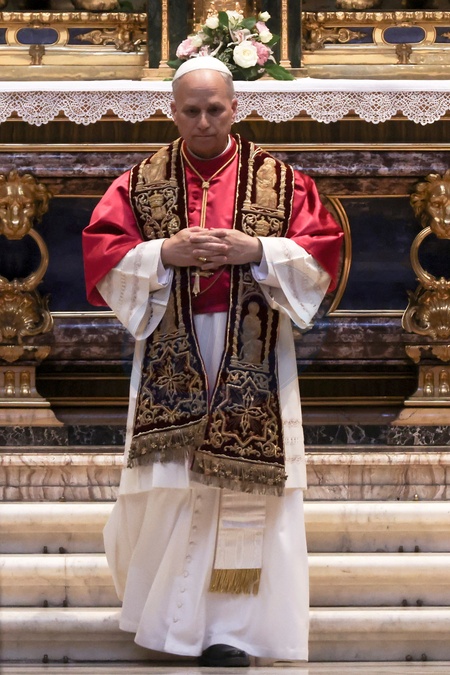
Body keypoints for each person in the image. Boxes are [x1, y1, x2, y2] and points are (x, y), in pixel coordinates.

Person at [82, 56, 343, 667]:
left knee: (248, 493)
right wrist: (161, 254)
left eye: (215, 109)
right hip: (172, 351)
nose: (204, 122)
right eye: (192, 111)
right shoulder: (139, 182)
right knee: (173, 485)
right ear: (172, 112)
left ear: (235, 109)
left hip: (254, 353)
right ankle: (168, 623)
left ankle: (236, 630)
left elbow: (321, 251)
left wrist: (259, 249)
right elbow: (103, 252)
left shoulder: (281, 181)